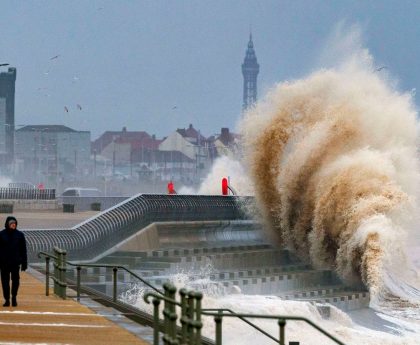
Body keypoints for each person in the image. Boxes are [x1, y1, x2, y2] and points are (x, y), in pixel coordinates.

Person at [0, 216, 27, 307]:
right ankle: (7, 299)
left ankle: (14, 297)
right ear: (7, 224)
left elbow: (23, 250)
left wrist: (24, 263)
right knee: (5, 282)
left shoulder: (20, 235)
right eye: (11, 223)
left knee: (16, 281)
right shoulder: (1, 234)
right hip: (4, 263)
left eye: (14, 223)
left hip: (15, 263)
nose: (13, 224)